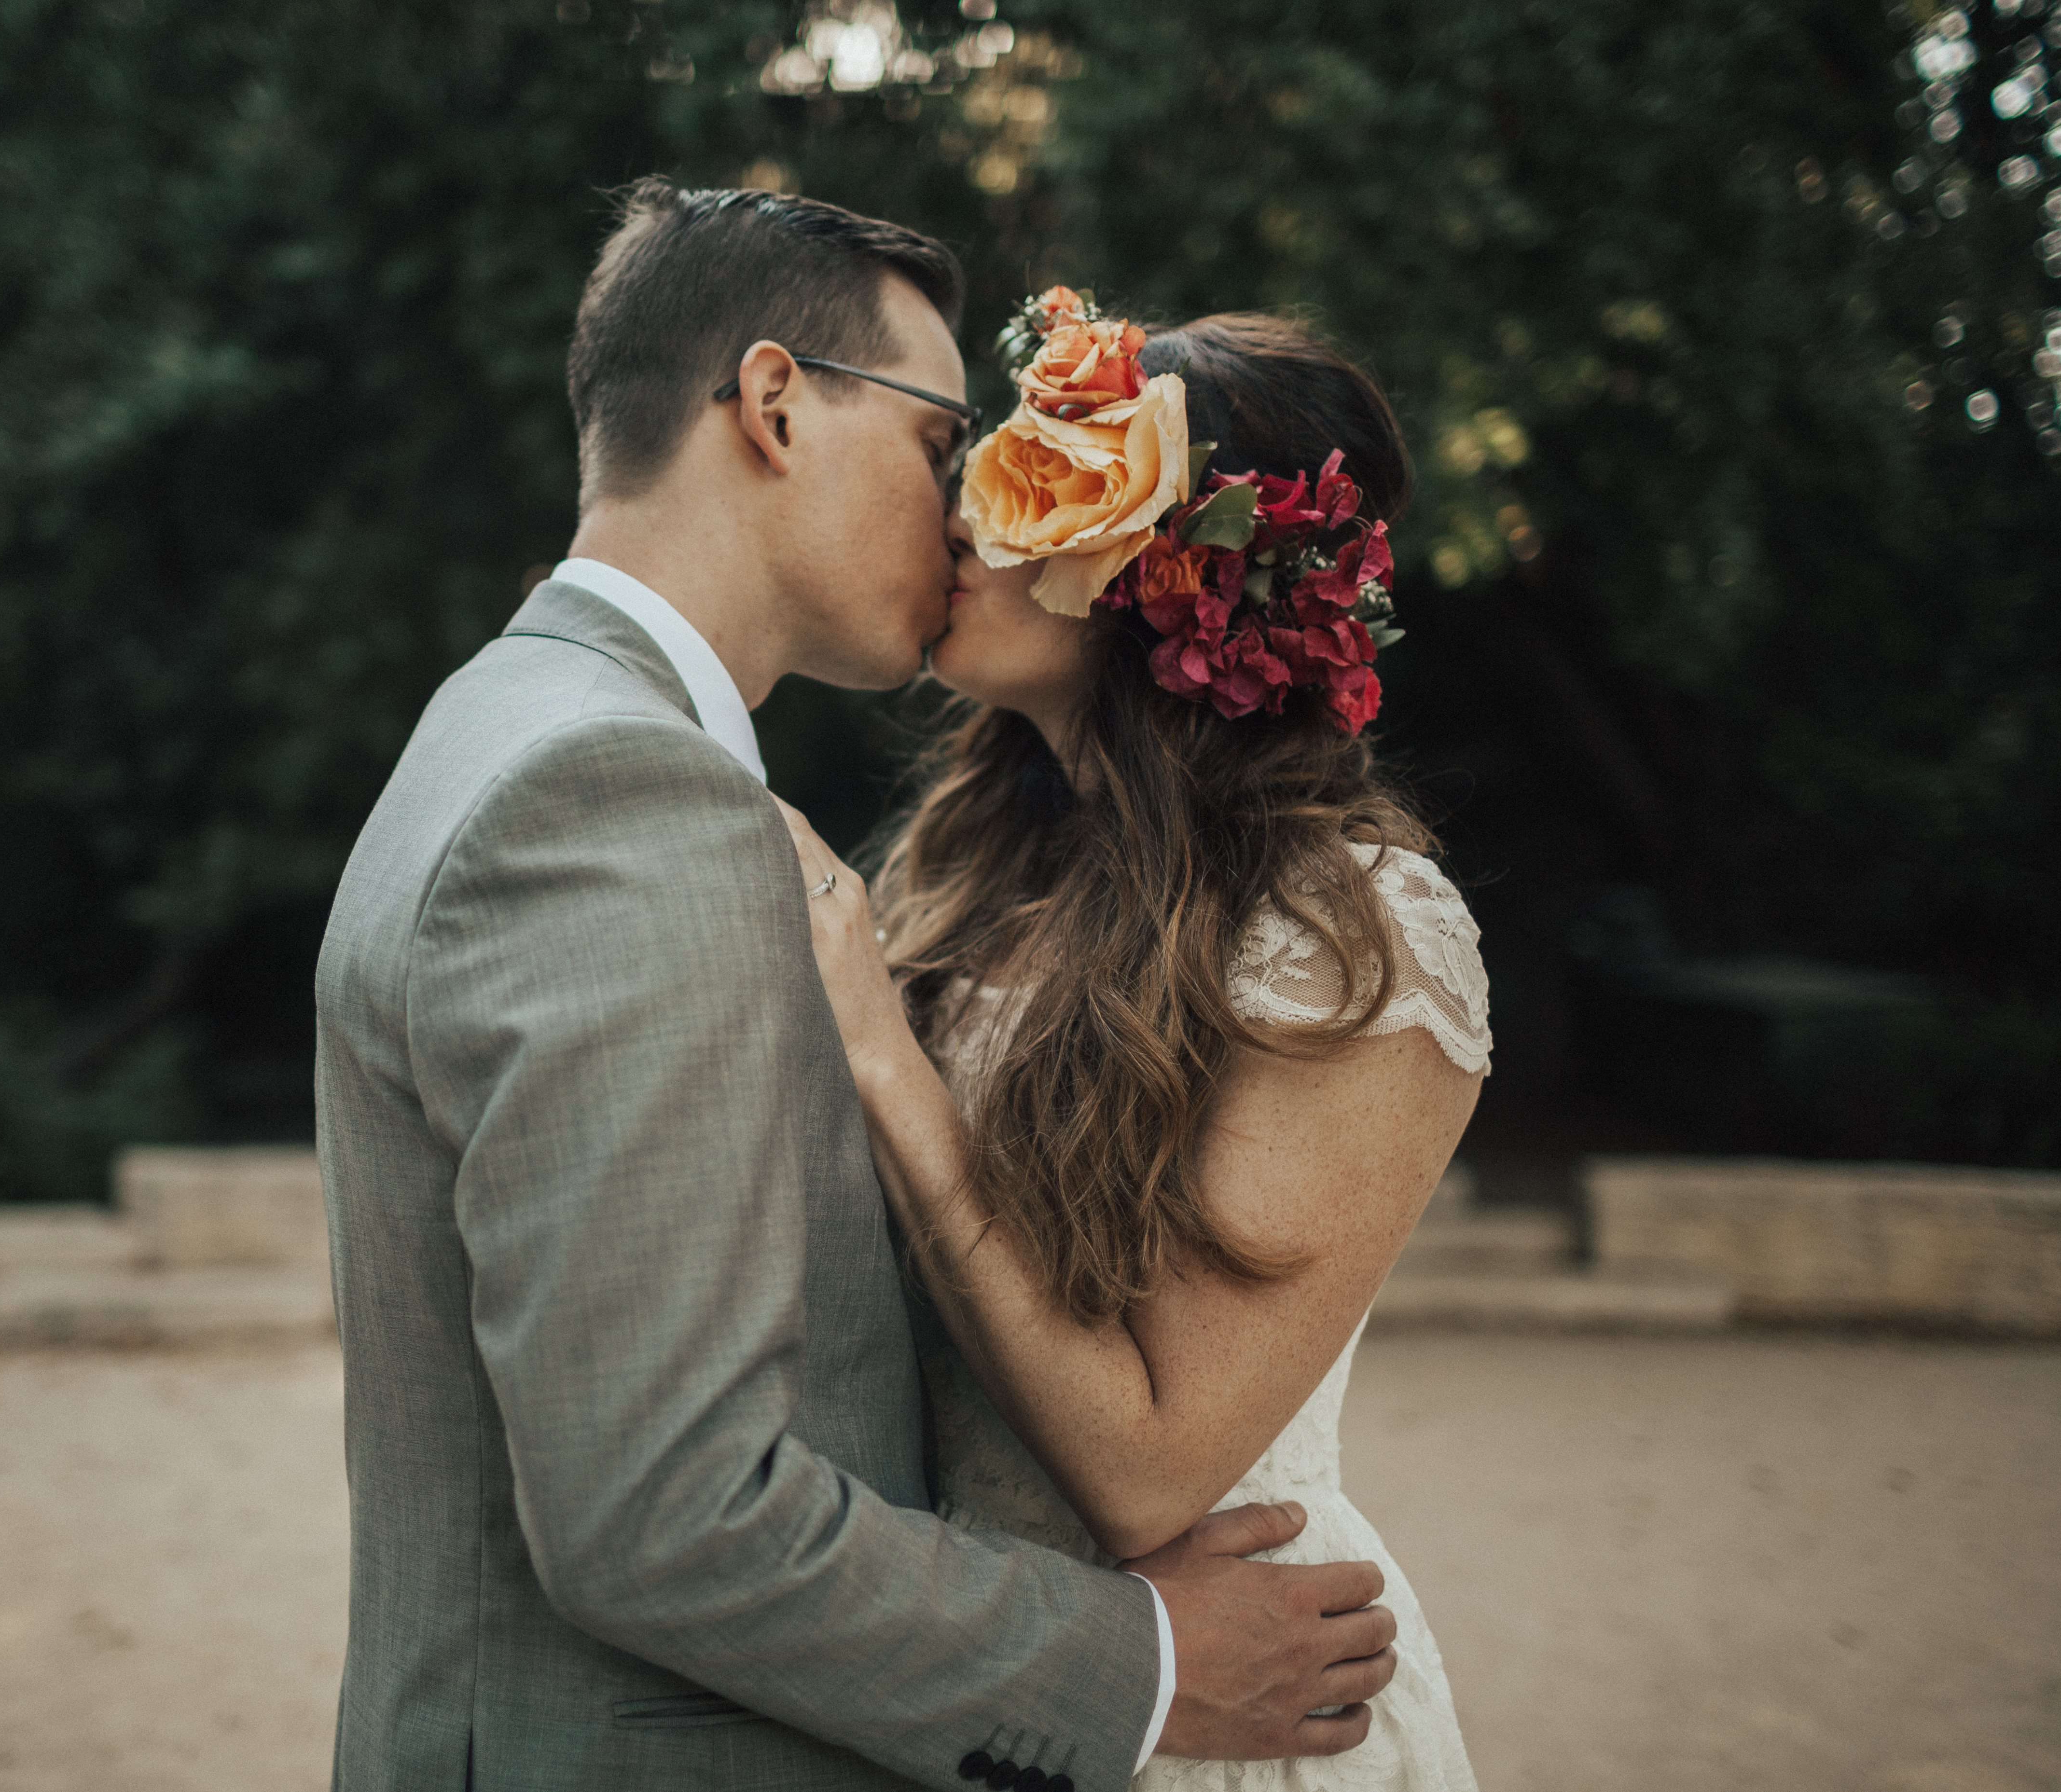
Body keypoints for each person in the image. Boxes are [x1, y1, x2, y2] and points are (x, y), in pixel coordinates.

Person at [315, 186, 1407, 1790]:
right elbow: (662, 1513)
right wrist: (1149, 1660)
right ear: (770, 406)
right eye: (937, 439)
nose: (969, 508)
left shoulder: (510, 722)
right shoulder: (614, 792)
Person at [775, 289, 1490, 1790]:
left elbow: (1144, 1468)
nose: (967, 516)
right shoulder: (963, 861)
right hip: (964, 1668)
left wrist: (879, 1054)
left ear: (1171, 582)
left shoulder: (1358, 938)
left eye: (1044, 480)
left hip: (1231, 1705)